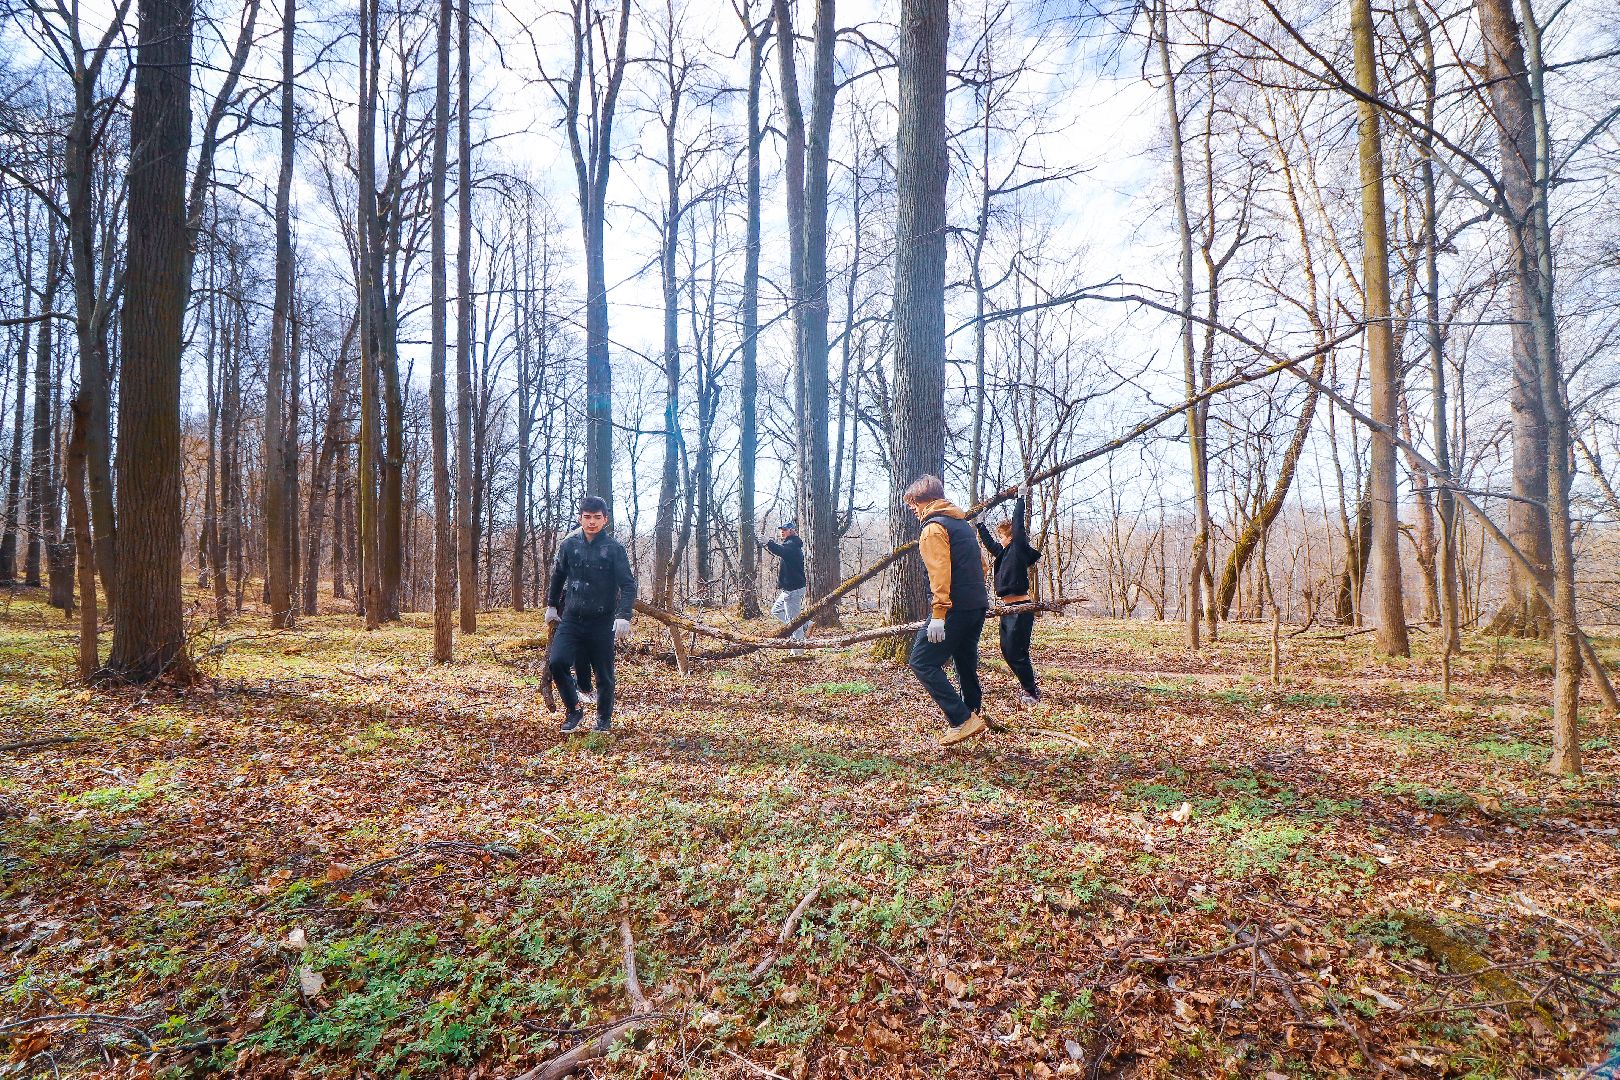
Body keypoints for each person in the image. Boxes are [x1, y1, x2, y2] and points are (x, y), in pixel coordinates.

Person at [902, 474, 991, 747]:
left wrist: (939, 615)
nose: (914, 511)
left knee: (921, 661)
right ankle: (974, 713)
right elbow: (983, 565)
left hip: (953, 606)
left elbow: (940, 574)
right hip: (976, 603)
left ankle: (962, 720)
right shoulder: (961, 523)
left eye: (913, 505)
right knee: (965, 660)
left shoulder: (933, 529)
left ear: (923, 500)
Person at [545, 496, 637, 734]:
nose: (592, 522)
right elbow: (558, 576)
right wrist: (552, 606)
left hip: (602, 620)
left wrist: (623, 615)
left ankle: (603, 720)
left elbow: (628, 585)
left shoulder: (613, 549)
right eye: (587, 517)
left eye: (597, 517)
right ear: (580, 518)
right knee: (557, 662)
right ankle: (574, 710)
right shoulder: (569, 545)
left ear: (605, 519)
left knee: (604, 674)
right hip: (572, 618)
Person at [977, 486, 1043, 705]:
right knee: (1007, 650)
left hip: (1021, 608)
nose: (1001, 540)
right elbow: (990, 544)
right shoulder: (1004, 553)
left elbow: (1018, 526)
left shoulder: (1019, 548)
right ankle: (1028, 686)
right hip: (1007, 610)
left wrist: (1020, 499)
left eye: (1003, 536)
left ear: (1010, 536)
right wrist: (980, 524)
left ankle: (1031, 692)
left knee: (1018, 651)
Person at [760, 521, 809, 641]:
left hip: (793, 589)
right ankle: (806, 625)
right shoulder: (791, 543)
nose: (782, 531)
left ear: (792, 531)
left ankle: (798, 651)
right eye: (781, 529)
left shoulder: (792, 545)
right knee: (776, 610)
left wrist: (769, 543)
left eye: (785, 529)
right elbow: (782, 550)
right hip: (790, 588)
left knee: (794, 623)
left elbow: (781, 551)